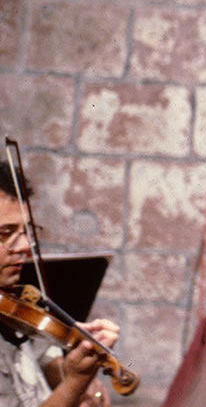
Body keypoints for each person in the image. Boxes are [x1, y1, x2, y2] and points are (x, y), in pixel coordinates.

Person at [0, 168, 120, 407]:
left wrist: (72, 371)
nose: (25, 246)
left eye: (27, 231)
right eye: (7, 233)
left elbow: (42, 358)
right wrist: (76, 383)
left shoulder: (12, 302)